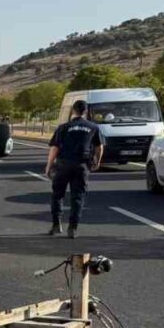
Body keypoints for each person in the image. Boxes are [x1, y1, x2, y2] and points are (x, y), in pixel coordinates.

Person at [45, 100, 104, 238]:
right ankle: (73, 228)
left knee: (57, 195)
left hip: (63, 164)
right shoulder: (93, 127)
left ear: (73, 111)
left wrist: (49, 165)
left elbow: (55, 147)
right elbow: (99, 147)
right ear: (86, 112)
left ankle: (56, 225)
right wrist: (97, 161)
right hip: (82, 165)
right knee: (77, 197)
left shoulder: (63, 127)